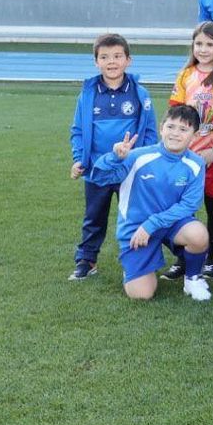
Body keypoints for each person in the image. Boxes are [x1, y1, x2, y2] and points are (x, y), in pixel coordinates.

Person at [84, 105, 211, 301]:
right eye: (171, 127)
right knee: (142, 294)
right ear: (161, 128)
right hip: (136, 228)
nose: (175, 133)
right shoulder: (137, 156)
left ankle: (193, 279)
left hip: (170, 224)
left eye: (183, 129)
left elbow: (189, 205)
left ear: (194, 136)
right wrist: (114, 158)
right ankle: (135, 267)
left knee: (198, 234)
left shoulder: (196, 163)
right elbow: (99, 178)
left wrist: (152, 224)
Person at [68, 34, 159, 281]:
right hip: (97, 169)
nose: (111, 62)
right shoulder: (87, 94)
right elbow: (78, 130)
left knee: (134, 216)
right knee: (93, 216)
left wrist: (142, 161)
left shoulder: (140, 94)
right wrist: (79, 159)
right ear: (96, 62)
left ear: (128, 60)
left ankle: (136, 258)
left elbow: (150, 131)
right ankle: (87, 259)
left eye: (117, 56)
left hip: (129, 171)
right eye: (104, 57)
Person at [164, 22, 213, 279]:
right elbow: (173, 113)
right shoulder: (186, 74)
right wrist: (172, 145)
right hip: (186, 157)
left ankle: (212, 258)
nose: (204, 49)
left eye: (210, 44)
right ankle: (183, 257)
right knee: (182, 208)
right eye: (199, 44)